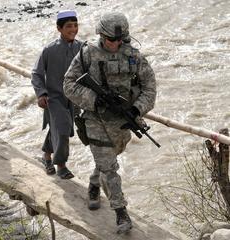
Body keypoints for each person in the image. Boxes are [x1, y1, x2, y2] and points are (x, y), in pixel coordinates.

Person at [63, 12, 156, 233]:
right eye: (108, 39)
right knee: (109, 166)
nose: (112, 44)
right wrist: (95, 100)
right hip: (95, 118)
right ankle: (121, 212)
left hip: (123, 121)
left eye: (117, 40)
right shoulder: (87, 54)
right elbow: (68, 84)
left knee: (109, 159)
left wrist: (136, 109)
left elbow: (150, 88)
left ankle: (94, 182)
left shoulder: (134, 56)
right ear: (101, 35)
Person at [31, 10, 82, 179]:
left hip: (74, 98)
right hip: (54, 98)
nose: (73, 29)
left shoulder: (82, 48)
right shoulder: (49, 50)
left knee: (59, 127)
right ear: (59, 28)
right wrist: (41, 94)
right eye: (68, 26)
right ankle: (61, 165)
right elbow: (37, 74)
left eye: (75, 25)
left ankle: (46, 155)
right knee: (63, 130)